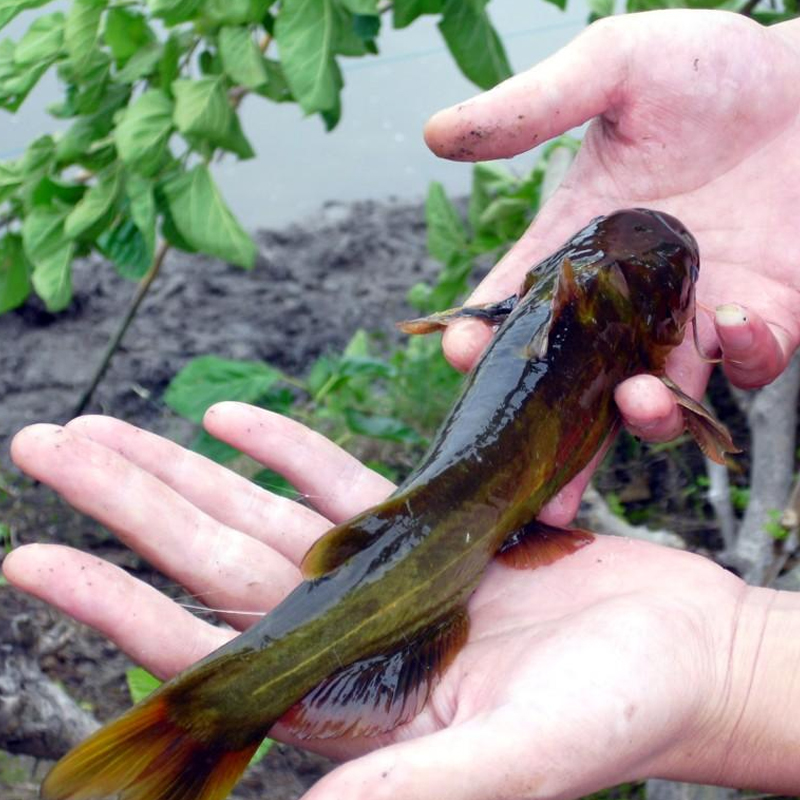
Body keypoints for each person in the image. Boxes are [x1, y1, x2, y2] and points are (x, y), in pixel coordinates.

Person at [4, 8, 800, 799]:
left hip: (449, 535)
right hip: (455, 535)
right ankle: (214, 711)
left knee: (394, 557)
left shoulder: (561, 301)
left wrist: (733, 668)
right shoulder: (623, 339)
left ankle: (214, 712)